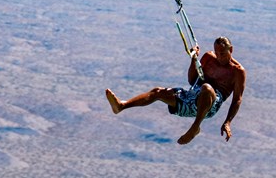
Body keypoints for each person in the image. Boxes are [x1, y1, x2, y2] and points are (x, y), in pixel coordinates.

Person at [105, 36, 246, 145]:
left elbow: (237, 99)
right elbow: (192, 81)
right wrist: (193, 59)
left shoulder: (237, 71)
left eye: (222, 53)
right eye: (217, 52)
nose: (219, 56)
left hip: (210, 105)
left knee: (207, 88)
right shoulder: (209, 58)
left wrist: (227, 122)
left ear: (231, 50)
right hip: (192, 97)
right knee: (158, 92)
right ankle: (122, 106)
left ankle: (195, 127)